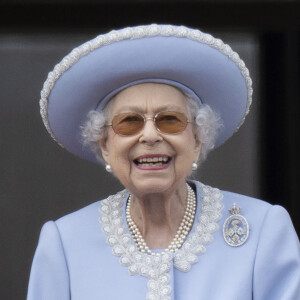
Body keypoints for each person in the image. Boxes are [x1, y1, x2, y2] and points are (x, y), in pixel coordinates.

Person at [27, 24, 300, 300]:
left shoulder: (263, 230)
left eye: (170, 120)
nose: (149, 135)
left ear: (196, 139)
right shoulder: (64, 243)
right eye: (129, 122)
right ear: (105, 146)